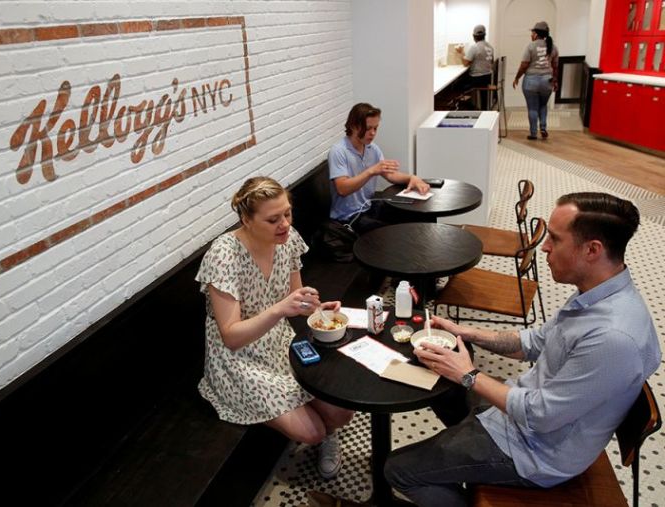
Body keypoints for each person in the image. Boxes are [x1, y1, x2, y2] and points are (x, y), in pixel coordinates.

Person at [385, 192, 661, 507]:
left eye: (555, 240)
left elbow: (539, 416)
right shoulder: (594, 295)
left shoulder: (613, 337)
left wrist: (469, 374)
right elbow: (532, 343)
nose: (543, 247)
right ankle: (458, 450)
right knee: (443, 383)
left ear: (592, 250)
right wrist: (466, 332)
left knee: (398, 469)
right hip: (522, 412)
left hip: (536, 453)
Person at [196, 176, 354, 479]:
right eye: (273, 219)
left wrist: (318, 309)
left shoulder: (287, 239)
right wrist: (281, 308)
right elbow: (230, 336)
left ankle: (328, 435)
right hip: (238, 359)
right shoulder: (224, 255)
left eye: (287, 213)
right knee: (311, 432)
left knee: (342, 412)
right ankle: (320, 435)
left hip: (279, 340)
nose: (284, 224)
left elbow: (297, 297)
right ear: (246, 219)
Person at [328, 103, 430, 234]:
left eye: (375, 128)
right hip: (349, 217)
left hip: (368, 207)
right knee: (390, 232)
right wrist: (371, 171)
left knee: (416, 215)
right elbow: (342, 189)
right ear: (353, 126)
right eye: (368, 128)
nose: (373, 133)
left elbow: (390, 175)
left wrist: (412, 178)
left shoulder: (372, 148)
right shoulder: (338, 151)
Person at [513, 21, 559, 140]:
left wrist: (517, 77)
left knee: (532, 108)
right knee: (543, 105)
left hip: (531, 82)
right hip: (547, 81)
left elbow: (524, 65)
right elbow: (555, 66)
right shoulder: (553, 47)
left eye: (532, 32)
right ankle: (543, 127)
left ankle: (533, 133)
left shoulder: (530, 46)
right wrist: (555, 81)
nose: (531, 35)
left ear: (536, 34)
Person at [457, 24, 495, 109]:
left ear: (474, 36)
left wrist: (460, 53)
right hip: (488, 77)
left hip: (477, 78)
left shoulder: (474, 47)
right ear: (484, 35)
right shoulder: (490, 47)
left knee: (456, 86)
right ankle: (484, 110)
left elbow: (465, 63)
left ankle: (469, 108)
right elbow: (491, 62)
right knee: (483, 95)